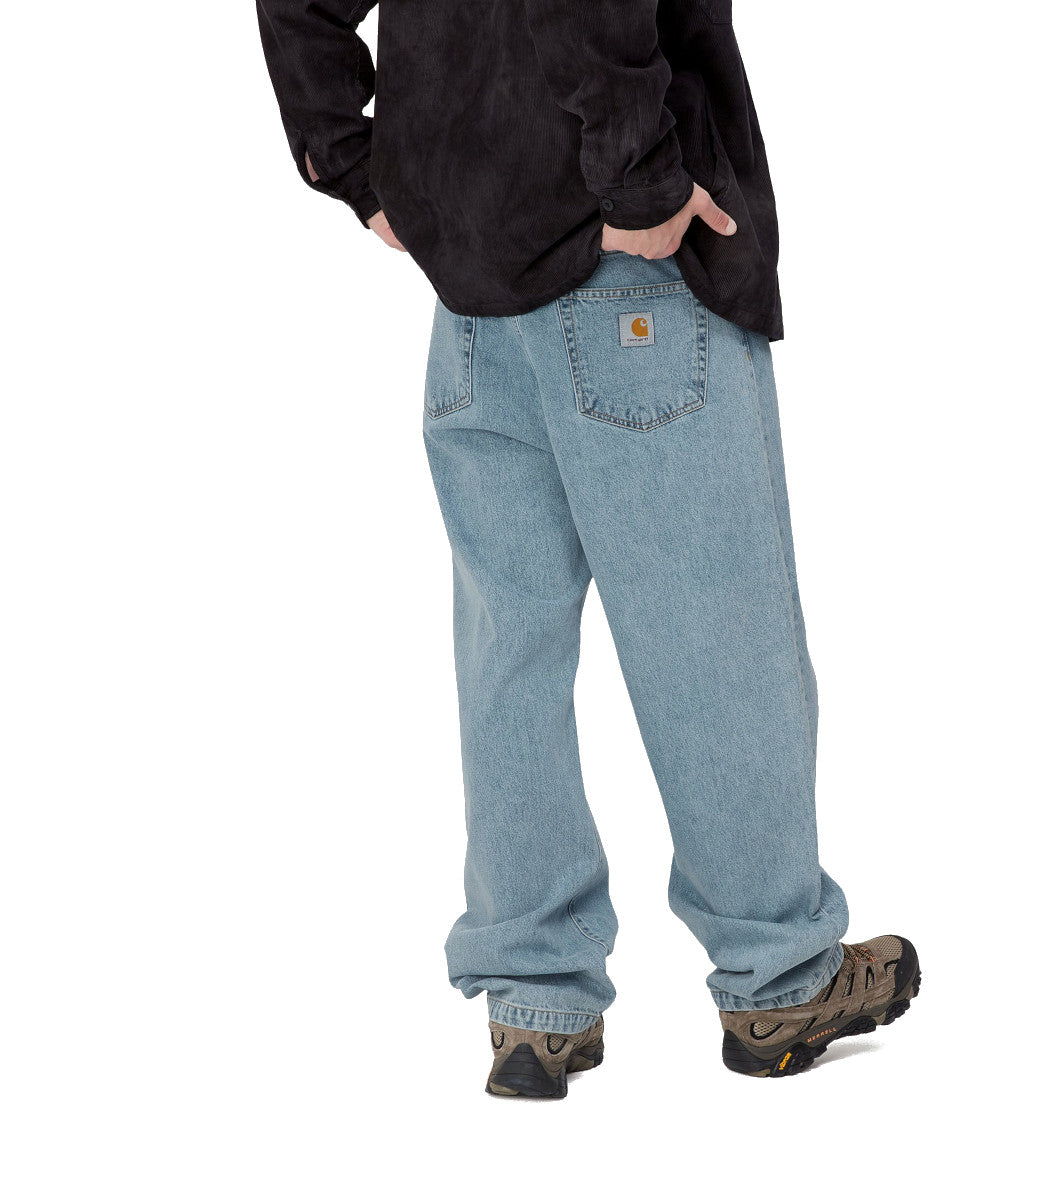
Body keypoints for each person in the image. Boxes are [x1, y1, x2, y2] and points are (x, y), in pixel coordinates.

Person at [256, 0, 919, 1098]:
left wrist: (357, 164)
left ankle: (534, 1002)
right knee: (714, 634)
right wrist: (642, 179)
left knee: (509, 646)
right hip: (620, 269)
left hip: (474, 286)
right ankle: (780, 973)